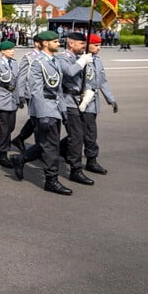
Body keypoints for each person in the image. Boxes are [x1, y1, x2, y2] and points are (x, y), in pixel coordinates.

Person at [11, 30, 74, 195]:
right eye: (55, 41)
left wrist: (63, 110)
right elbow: (36, 90)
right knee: (51, 146)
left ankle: (21, 159)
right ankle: (51, 180)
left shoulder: (55, 61)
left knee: (48, 144)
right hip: (45, 107)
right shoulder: (37, 62)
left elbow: (58, 89)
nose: (58, 44)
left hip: (55, 106)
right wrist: (42, 114)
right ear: (46, 43)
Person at [56, 32, 96, 187]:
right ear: (71, 43)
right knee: (77, 136)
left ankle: (25, 157)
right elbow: (70, 72)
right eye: (81, 44)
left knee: (80, 133)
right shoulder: (62, 57)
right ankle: (75, 170)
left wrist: (87, 94)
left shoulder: (81, 58)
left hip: (79, 100)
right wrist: (82, 61)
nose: (84, 47)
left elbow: (89, 78)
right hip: (67, 101)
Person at [82, 33, 118, 175]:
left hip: (93, 101)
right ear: (87, 45)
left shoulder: (97, 60)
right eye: (96, 45)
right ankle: (91, 160)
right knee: (90, 132)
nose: (99, 48)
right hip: (83, 102)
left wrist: (111, 99)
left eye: (99, 45)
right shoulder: (82, 60)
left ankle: (61, 150)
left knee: (80, 132)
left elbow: (102, 81)